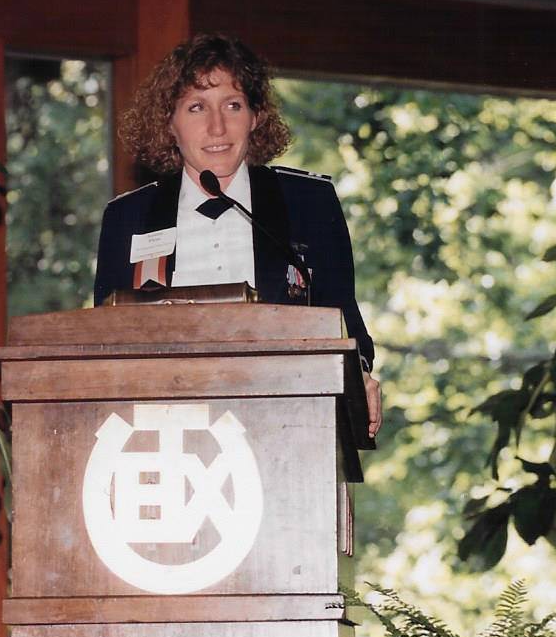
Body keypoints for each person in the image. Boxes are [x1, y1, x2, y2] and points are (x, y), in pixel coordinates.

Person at [93, 33, 382, 438]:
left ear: (255, 116)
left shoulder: (307, 202)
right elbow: (104, 343)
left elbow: (343, 319)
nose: (217, 127)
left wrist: (361, 376)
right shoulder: (129, 217)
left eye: (233, 105)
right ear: (169, 123)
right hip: (163, 432)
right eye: (196, 108)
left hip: (287, 423)